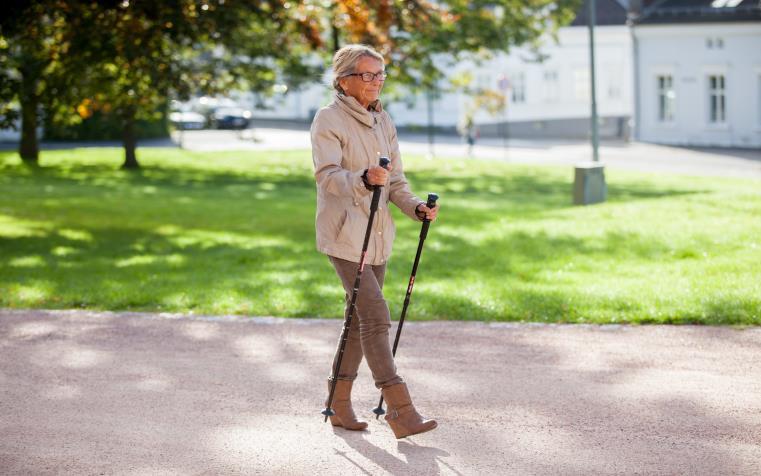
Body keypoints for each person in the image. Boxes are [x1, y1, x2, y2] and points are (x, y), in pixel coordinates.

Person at [311, 44, 439, 439]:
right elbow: (328, 177)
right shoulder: (328, 119)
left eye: (380, 74)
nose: (376, 81)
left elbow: (396, 181)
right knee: (376, 316)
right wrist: (363, 179)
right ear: (344, 80)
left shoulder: (383, 120)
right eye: (367, 74)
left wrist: (415, 207)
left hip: (377, 236)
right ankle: (400, 409)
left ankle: (339, 404)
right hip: (346, 235)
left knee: (359, 322)